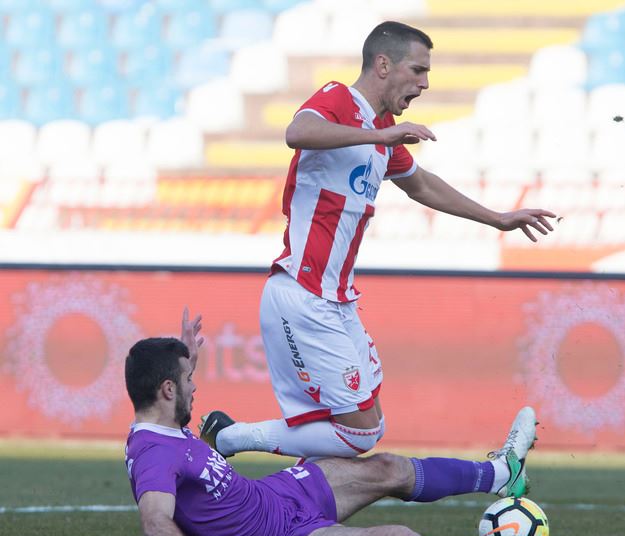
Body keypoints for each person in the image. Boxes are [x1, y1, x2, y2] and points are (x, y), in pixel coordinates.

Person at [198, 21, 556, 461]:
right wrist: (378, 135)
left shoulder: (383, 131)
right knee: (358, 435)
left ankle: (296, 505)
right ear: (383, 64)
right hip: (303, 291)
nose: (424, 84)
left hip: (338, 300)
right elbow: (297, 132)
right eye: (418, 70)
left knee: (368, 427)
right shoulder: (341, 101)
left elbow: (421, 185)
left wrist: (498, 218)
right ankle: (228, 439)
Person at [124, 310, 538, 536]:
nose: (194, 388)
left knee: (387, 467)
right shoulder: (152, 454)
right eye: (188, 381)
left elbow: (173, 407)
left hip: (281, 493)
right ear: (166, 390)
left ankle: (501, 473)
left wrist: (186, 358)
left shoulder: (163, 426)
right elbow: (154, 522)